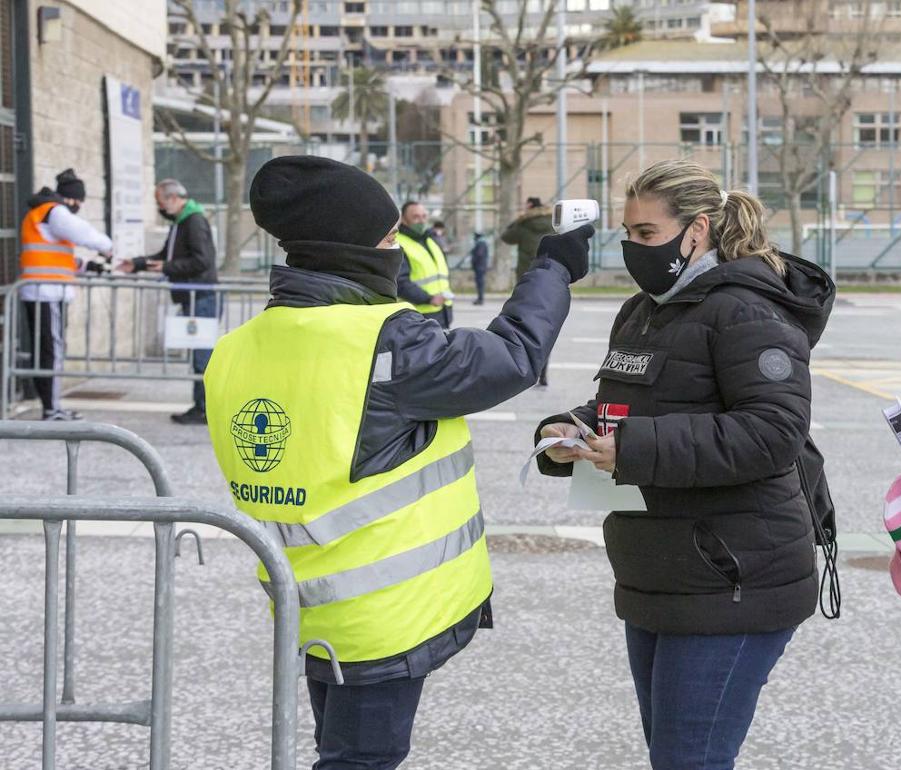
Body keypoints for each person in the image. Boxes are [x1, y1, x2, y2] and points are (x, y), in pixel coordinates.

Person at [203, 155, 591, 770]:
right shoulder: (385, 342)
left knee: (341, 753)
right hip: (383, 615)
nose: (398, 249)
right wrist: (552, 268)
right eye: (388, 238)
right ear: (351, 247)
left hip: (305, 604)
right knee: (361, 761)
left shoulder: (237, 348)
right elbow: (513, 355)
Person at [534, 159, 835, 770]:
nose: (632, 249)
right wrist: (569, 428)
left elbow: (772, 432)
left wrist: (635, 449)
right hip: (660, 574)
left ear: (697, 231)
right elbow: (621, 405)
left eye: (647, 234)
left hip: (732, 580)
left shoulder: (747, 310)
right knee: (675, 757)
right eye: (627, 233)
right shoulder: (645, 310)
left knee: (688, 760)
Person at [119, 179, 218, 425]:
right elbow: (166, 255)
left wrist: (167, 267)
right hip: (191, 296)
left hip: (201, 296)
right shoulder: (180, 222)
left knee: (202, 357)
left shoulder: (193, 222)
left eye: (160, 202)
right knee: (198, 354)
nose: (159, 208)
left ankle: (205, 408)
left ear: (174, 198)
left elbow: (202, 260)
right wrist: (139, 264)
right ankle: (201, 406)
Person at [18, 168, 113, 421]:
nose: (79, 206)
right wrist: (108, 248)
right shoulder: (55, 211)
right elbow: (83, 233)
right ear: (71, 198)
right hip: (46, 292)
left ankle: (52, 405)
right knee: (51, 350)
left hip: (44, 291)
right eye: (79, 201)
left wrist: (85, 266)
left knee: (47, 349)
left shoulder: (42, 213)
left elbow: (54, 255)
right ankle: (51, 408)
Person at [502, 196, 556, 384]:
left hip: (527, 282)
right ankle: (544, 372)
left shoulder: (524, 225)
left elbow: (505, 236)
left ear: (530, 206)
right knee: (546, 327)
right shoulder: (553, 223)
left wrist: (519, 218)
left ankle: (526, 369)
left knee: (523, 326)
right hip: (550, 281)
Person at [395, 201, 453, 329]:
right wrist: (429, 298)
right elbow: (400, 282)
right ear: (403, 220)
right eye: (415, 217)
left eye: (424, 216)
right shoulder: (398, 243)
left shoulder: (431, 240)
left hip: (442, 311)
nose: (421, 220)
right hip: (418, 315)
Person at [470, 231, 490, 305]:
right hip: (480, 266)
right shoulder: (481, 243)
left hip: (480, 267)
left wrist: (474, 261)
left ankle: (480, 299)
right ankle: (480, 298)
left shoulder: (481, 243)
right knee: (479, 283)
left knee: (480, 283)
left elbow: (479, 254)